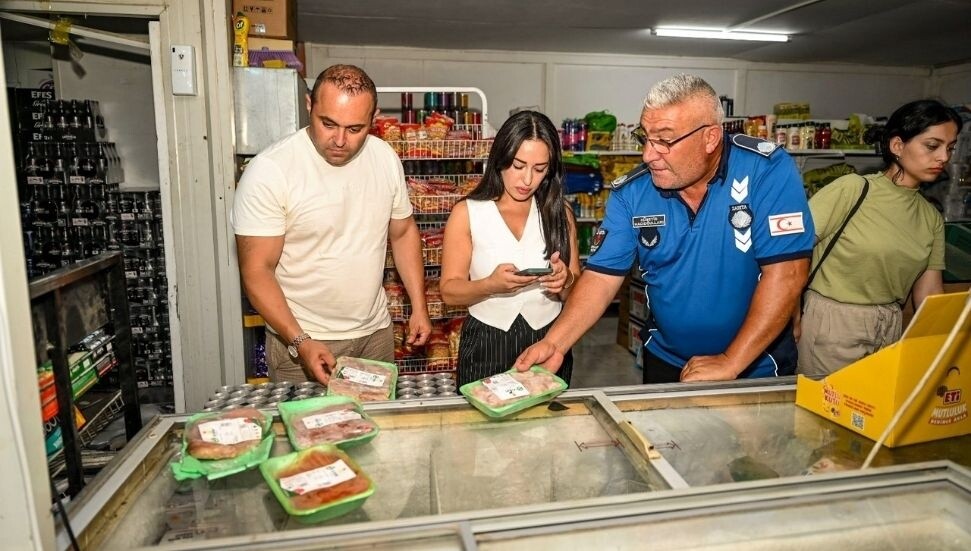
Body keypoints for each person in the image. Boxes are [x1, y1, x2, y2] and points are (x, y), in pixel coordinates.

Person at [514, 73, 814, 383]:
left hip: (756, 363)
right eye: (645, 138)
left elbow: (787, 274)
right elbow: (601, 278)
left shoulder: (766, 170)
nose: (648, 154)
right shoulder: (633, 192)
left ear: (710, 138)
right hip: (666, 358)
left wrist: (731, 361)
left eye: (665, 141)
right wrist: (555, 343)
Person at [232, 64, 431, 384]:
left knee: (378, 417)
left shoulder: (385, 158)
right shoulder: (270, 171)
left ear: (374, 118)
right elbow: (257, 271)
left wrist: (419, 306)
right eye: (328, 124)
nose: (339, 140)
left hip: (375, 335)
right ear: (309, 105)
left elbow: (403, 232)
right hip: (303, 341)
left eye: (355, 129)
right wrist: (301, 341)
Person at [796, 100, 962, 377]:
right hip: (833, 324)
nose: (944, 157)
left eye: (951, 148)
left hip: (890, 325)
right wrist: (789, 313)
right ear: (897, 145)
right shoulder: (852, 190)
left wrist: (946, 345)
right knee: (828, 404)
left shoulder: (931, 217)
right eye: (932, 146)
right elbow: (791, 253)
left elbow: (929, 294)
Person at [441, 110, 580, 386]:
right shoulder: (468, 213)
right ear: (501, 159)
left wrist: (564, 280)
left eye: (539, 169)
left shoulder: (559, 213)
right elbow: (449, 291)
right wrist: (489, 285)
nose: (527, 180)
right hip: (486, 342)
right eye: (518, 166)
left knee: (549, 414)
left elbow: (577, 289)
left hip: (549, 338)